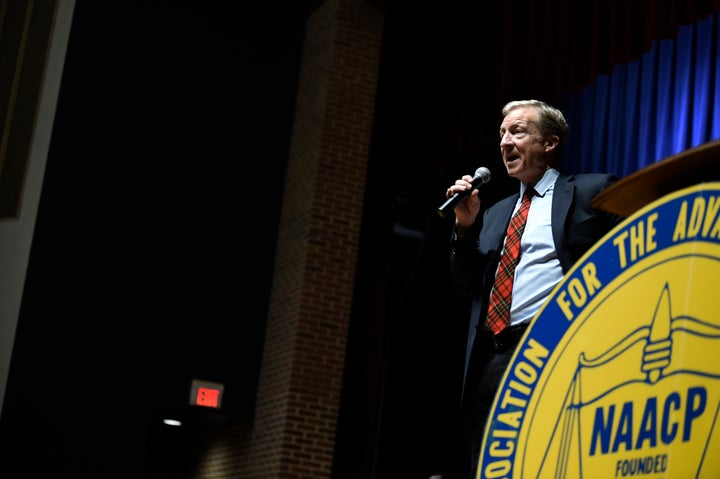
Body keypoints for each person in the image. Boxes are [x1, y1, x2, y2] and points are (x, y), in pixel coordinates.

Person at [439, 99, 625, 479]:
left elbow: (630, 252)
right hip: (493, 356)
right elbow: (467, 284)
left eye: (518, 132)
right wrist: (463, 228)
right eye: (502, 133)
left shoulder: (592, 190)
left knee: (546, 456)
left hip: (553, 343)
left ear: (550, 143)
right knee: (488, 463)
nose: (505, 141)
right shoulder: (493, 213)